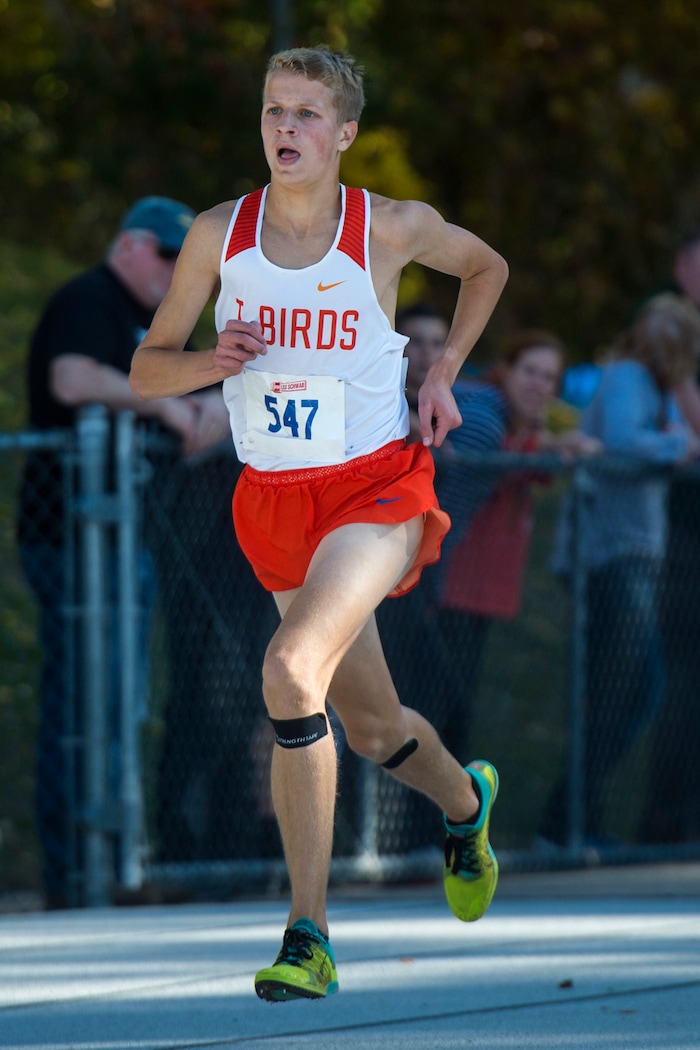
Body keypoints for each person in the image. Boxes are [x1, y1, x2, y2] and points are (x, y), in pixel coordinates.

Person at [129, 46, 509, 1001]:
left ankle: (309, 934)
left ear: (343, 134)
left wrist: (444, 368)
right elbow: (146, 368)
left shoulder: (385, 227)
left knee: (291, 669)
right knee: (374, 727)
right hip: (273, 501)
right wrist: (212, 362)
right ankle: (468, 805)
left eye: (305, 113)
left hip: (375, 489)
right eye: (272, 111)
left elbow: (487, 267)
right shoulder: (221, 235)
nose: (285, 128)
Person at [16, 196, 228, 907]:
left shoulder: (162, 323)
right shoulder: (90, 298)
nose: (177, 270)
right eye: (169, 255)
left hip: (127, 542)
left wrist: (207, 410)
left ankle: (109, 862)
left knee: (121, 703)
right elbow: (72, 379)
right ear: (130, 245)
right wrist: (161, 400)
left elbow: (226, 393)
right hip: (71, 540)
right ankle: (75, 874)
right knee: (83, 705)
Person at [539, 293, 700, 849]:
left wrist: (678, 437)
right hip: (608, 551)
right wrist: (676, 443)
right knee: (634, 686)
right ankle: (564, 820)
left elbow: (682, 439)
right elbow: (628, 443)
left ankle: (576, 819)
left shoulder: (657, 385)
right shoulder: (630, 373)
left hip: (631, 551)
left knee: (622, 690)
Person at [429, 329, 597, 766]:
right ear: (507, 369)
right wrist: (547, 446)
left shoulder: (523, 423)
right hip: (443, 584)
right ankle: (420, 830)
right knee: (434, 712)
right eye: (530, 371)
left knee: (454, 714)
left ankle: (445, 827)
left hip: (471, 591)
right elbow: (484, 452)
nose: (538, 384)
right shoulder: (484, 410)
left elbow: (527, 468)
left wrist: (547, 445)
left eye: (549, 377)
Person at [636, 231, 700, 844]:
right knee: (675, 679)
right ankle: (664, 822)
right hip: (677, 533)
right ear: (682, 265)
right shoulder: (668, 318)